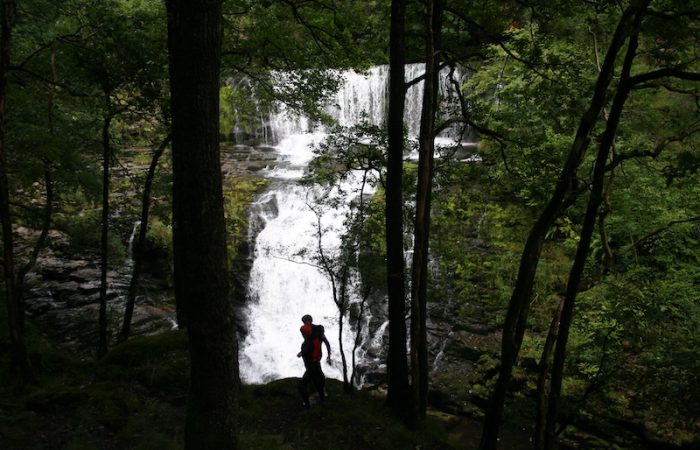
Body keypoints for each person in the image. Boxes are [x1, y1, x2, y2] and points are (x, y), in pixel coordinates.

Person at [296, 314, 331, 407]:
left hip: (313, 362)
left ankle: (308, 404)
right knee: (319, 378)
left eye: (305, 322)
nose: (304, 323)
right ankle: (322, 399)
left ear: (308, 321)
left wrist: (302, 353)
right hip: (315, 359)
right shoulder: (315, 332)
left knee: (303, 384)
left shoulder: (313, 335)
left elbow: (309, 348)